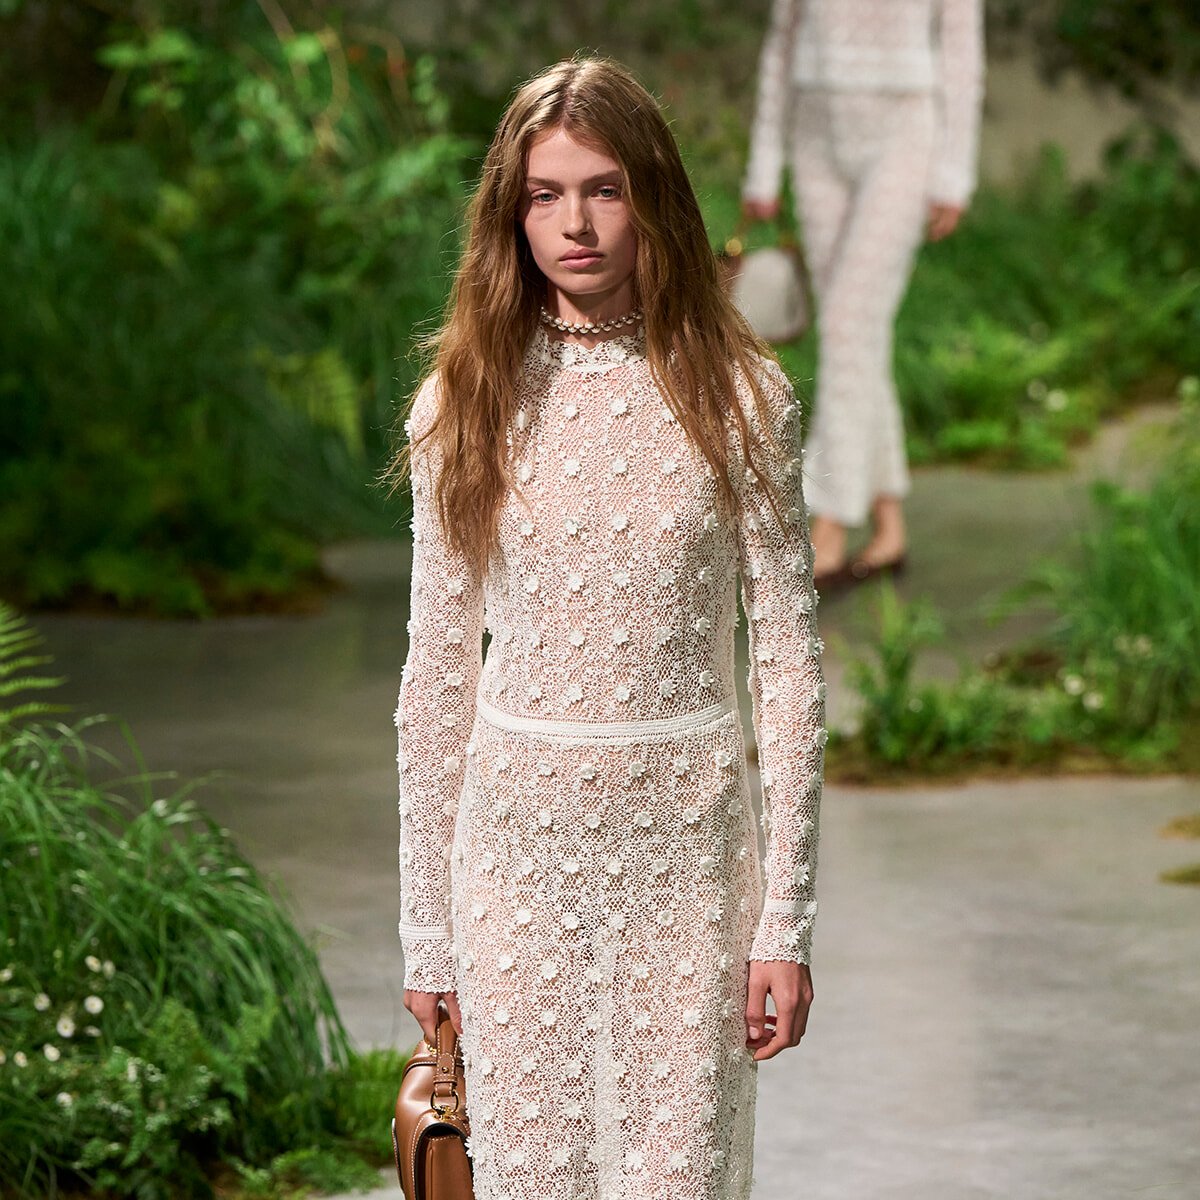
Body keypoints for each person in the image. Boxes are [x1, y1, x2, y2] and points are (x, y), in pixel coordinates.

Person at [390, 56, 827, 1200]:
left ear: (654, 200)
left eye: (605, 190)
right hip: (514, 861)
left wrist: (784, 920)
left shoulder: (741, 400)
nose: (575, 225)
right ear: (511, 212)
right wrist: (428, 931)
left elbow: (788, 663)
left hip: (691, 859)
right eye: (544, 195)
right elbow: (437, 675)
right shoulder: (465, 400)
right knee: (532, 1180)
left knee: (682, 1181)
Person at [742, 0, 985, 585]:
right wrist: (765, 163)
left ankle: (825, 522)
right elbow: (782, 40)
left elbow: (961, 50)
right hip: (816, 132)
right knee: (859, 339)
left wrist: (954, 171)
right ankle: (889, 527)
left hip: (904, 134)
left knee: (849, 324)